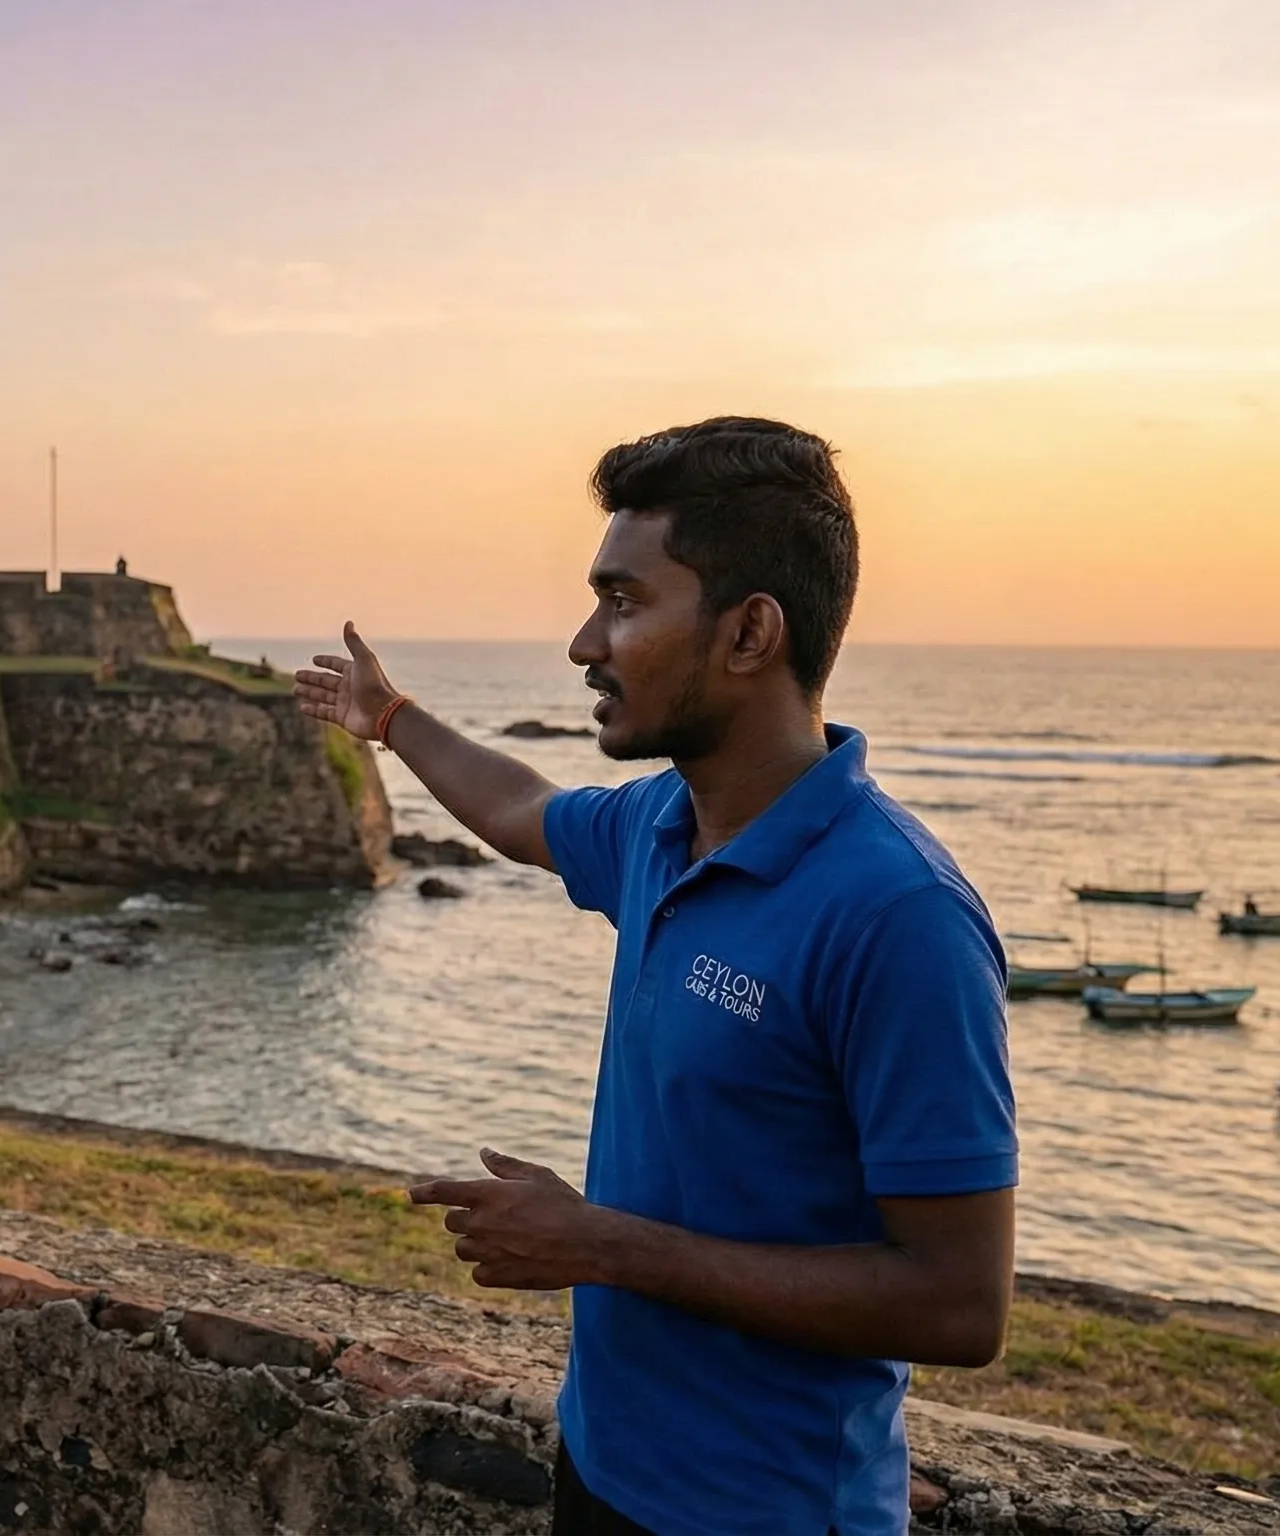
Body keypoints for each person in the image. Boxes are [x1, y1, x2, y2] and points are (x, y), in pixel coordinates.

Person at [297, 418, 1017, 1536]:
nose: (585, 643)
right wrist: (386, 718)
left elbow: (959, 1303)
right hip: (602, 1467)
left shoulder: (900, 915)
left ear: (748, 634)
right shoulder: (656, 829)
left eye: (624, 602)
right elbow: (515, 808)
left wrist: (599, 1246)